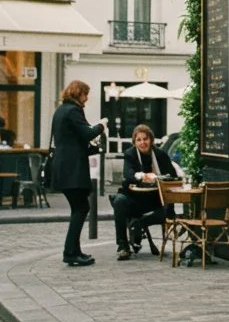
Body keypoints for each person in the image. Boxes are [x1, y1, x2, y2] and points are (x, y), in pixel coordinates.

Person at [48, 80, 107, 267]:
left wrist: (93, 149)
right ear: (78, 93)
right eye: (85, 94)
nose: (87, 98)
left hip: (64, 167)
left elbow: (73, 140)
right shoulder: (73, 111)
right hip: (72, 169)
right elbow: (87, 133)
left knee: (79, 208)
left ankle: (74, 250)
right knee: (81, 208)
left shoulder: (61, 110)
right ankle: (70, 252)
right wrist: (101, 126)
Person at [111, 124, 183, 261]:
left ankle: (138, 224)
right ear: (134, 142)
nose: (142, 143)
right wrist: (142, 176)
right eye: (138, 140)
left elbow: (172, 176)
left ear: (151, 140)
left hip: (154, 198)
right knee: (119, 202)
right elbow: (128, 174)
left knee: (167, 211)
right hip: (134, 197)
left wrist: (160, 178)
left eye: (145, 139)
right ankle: (123, 246)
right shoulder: (130, 154)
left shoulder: (161, 155)